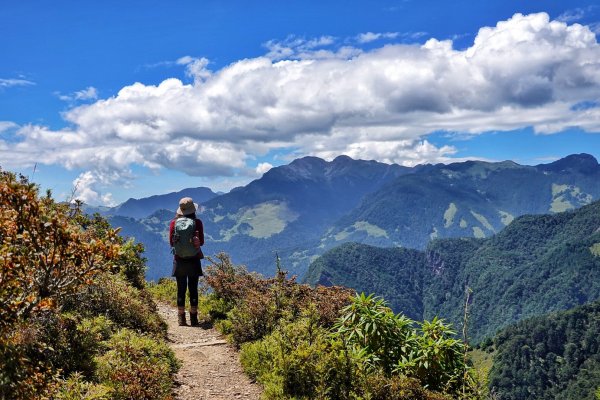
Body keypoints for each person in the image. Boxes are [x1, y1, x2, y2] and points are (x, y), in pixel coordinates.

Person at [169, 197, 204, 326]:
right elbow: (202, 242)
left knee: (181, 289)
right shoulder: (197, 222)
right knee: (193, 288)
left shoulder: (174, 223)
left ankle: (181, 319)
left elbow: (172, 243)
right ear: (193, 210)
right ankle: (194, 318)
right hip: (194, 260)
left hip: (179, 260)